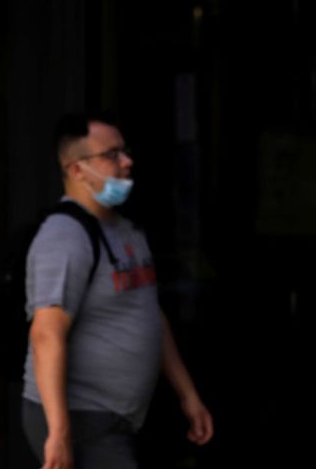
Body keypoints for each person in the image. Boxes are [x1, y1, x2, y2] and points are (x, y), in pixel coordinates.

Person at [22, 112, 213, 469]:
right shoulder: (64, 237)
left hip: (122, 417)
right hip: (83, 418)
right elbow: (46, 334)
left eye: (124, 152)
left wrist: (188, 396)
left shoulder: (125, 230)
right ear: (76, 169)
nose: (127, 162)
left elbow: (149, 314)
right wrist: (60, 432)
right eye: (111, 155)